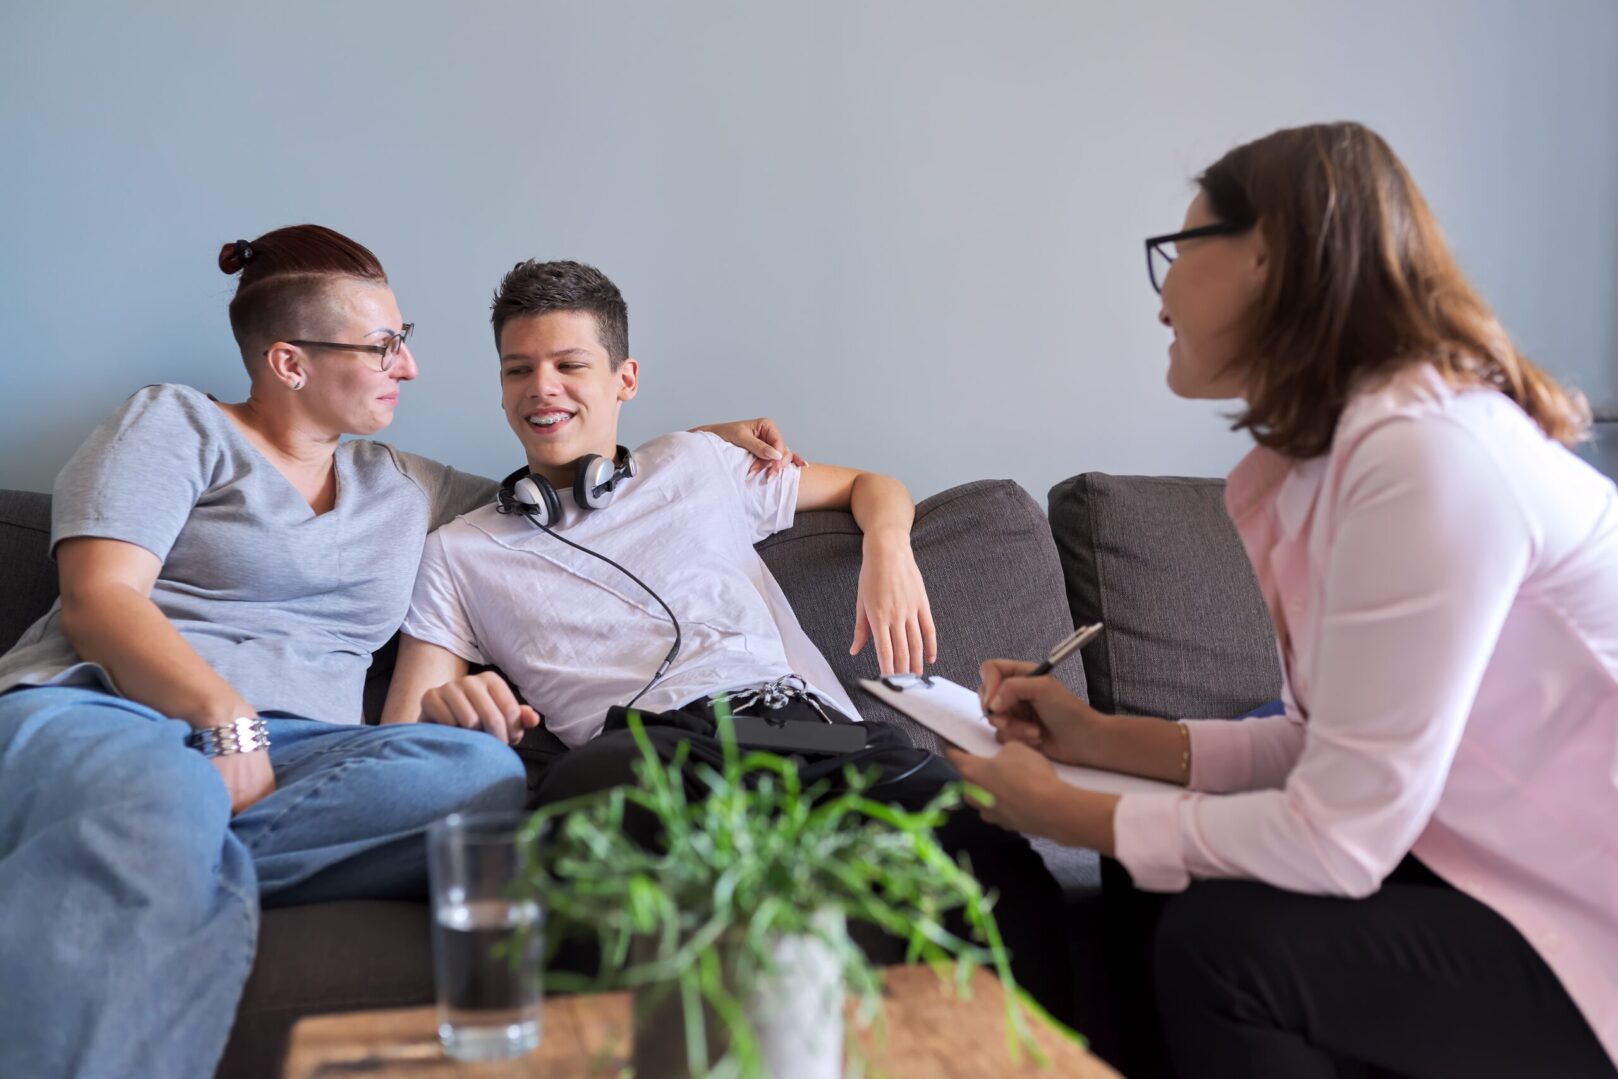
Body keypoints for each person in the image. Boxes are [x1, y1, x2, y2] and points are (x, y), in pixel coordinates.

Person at [0, 224, 800, 1079]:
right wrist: (224, 719)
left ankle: (125, 842)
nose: (408, 367)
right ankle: (141, 825)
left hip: (303, 755)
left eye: (403, 342)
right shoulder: (173, 423)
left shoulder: (405, 484)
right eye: (383, 347)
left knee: (476, 776)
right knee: (159, 788)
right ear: (289, 363)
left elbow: (560, 478)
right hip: (109, 711)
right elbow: (99, 599)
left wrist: (700, 449)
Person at [948, 122, 1618, 1078]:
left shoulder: (1427, 457)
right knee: (1162, 883)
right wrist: (1093, 737)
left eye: (1177, 253)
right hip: (1499, 875)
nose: (1163, 295)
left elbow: (1341, 833)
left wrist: (1061, 809)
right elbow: (1325, 747)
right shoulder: (1325, 468)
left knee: (1227, 946)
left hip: (1588, 915)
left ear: (1265, 257)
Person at [380, 258, 1075, 1019]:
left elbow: (869, 485)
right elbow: (401, 735)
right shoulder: (460, 551)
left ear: (625, 378)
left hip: (808, 730)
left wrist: (889, 545)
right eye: (520, 369)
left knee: (998, 868)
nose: (541, 386)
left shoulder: (696, 461)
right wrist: (452, 705)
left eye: (569, 364)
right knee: (581, 839)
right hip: (644, 755)